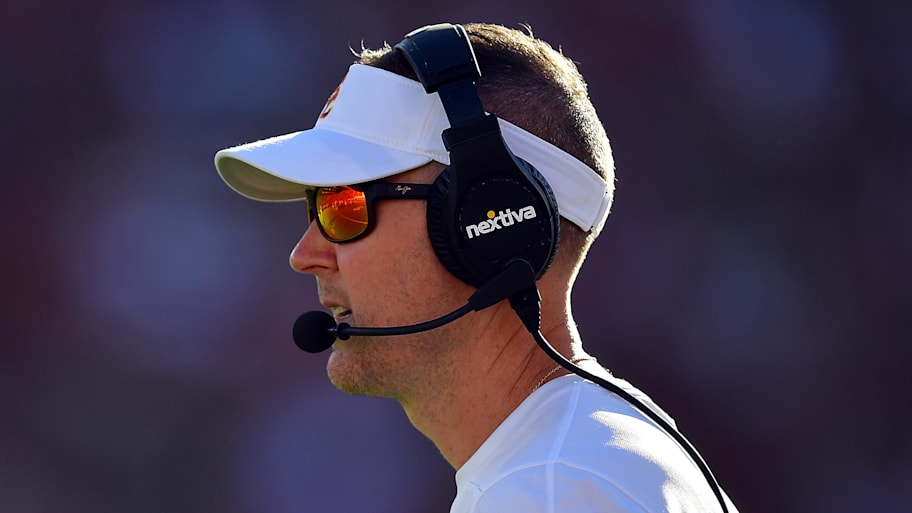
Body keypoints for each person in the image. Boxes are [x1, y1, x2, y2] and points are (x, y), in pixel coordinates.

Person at [214, 22, 738, 513]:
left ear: (483, 221)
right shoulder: (578, 460)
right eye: (316, 208)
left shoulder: (549, 488)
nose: (304, 254)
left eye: (344, 205)